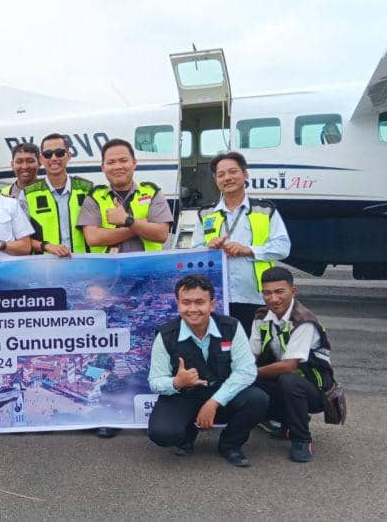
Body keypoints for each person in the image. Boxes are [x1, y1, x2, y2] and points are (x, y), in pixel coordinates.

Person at [77, 138, 173, 438]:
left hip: (149, 285)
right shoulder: (95, 197)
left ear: (134, 163)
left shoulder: (151, 192)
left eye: (123, 160)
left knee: (154, 348)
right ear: (103, 167)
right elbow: (94, 238)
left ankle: (154, 408)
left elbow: (161, 233)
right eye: (111, 162)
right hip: (111, 286)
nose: (117, 166)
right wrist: (137, 227)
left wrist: (125, 220)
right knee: (109, 349)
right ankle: (109, 412)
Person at [146, 275, 268, 467]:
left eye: (199, 302)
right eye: (186, 302)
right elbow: (155, 380)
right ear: (178, 304)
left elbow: (247, 371)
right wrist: (177, 382)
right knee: (162, 433)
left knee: (257, 399)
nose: (193, 309)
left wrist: (214, 402)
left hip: (223, 394)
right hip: (185, 396)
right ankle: (186, 436)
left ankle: (230, 445)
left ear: (212, 305)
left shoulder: (231, 327)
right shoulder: (166, 335)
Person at [193, 151, 290, 333]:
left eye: (233, 172)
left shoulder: (265, 210)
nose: (227, 178)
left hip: (255, 297)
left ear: (245, 174)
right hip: (217, 297)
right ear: (216, 180)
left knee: (254, 347)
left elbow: (283, 247)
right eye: (221, 174)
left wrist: (248, 250)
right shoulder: (206, 214)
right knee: (221, 347)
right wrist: (210, 248)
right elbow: (195, 251)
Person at [249, 267, 334, 462]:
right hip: (281, 381)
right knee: (244, 384)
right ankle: (287, 421)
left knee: (289, 380)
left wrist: (249, 373)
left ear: (293, 291)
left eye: (280, 292)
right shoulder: (261, 316)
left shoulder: (303, 321)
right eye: (267, 293)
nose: (273, 299)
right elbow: (252, 354)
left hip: (315, 389)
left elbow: (289, 366)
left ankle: (302, 439)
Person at [21, 133, 93, 257]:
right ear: (41, 159)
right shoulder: (27, 194)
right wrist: (46, 246)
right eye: (48, 154)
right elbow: (21, 239)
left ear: (68, 155)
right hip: (45, 266)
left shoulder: (87, 189)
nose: (54, 158)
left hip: (83, 265)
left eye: (59, 153)